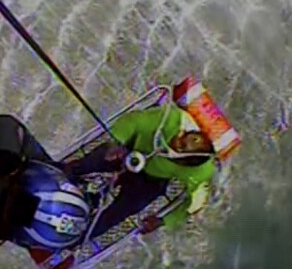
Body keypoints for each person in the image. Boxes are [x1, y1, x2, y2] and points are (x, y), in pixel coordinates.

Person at [66, 100, 218, 237]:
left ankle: (77, 237)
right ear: (182, 133)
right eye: (177, 141)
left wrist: (163, 221)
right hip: (131, 149)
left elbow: (195, 204)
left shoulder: (201, 172)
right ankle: (63, 173)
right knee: (94, 161)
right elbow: (135, 120)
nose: (170, 146)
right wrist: (116, 143)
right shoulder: (170, 118)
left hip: (152, 180)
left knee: (120, 212)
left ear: (186, 164)